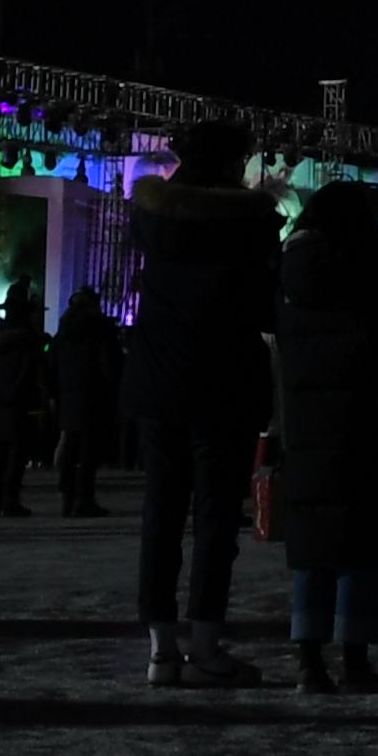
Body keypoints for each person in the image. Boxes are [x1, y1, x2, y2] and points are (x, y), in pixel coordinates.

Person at [129, 119, 281, 686]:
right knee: (216, 521)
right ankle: (207, 646)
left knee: (160, 515)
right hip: (225, 384)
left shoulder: (151, 216)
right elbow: (267, 310)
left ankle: (160, 651)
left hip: (159, 381)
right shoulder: (252, 223)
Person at [275, 177, 378, 695]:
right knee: (364, 547)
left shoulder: (295, 277)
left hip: (309, 432)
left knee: (313, 547)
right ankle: (354, 657)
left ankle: (307, 659)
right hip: (371, 426)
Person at [51, 288, 122, 517]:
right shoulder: (101, 330)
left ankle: (67, 496)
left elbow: (52, 365)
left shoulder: (63, 333)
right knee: (88, 453)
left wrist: (55, 393)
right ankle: (84, 498)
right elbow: (109, 364)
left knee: (70, 449)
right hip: (94, 396)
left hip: (68, 396)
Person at [0, 289, 45, 518]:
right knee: (15, 456)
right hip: (18, 403)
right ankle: (10, 500)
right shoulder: (26, 341)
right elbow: (29, 371)